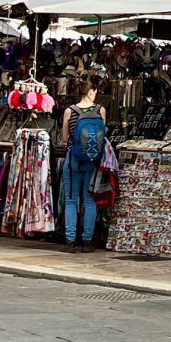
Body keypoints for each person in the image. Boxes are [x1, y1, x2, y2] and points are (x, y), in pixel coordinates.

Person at [60, 77, 106, 253]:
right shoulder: (100, 110)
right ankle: (87, 241)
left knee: (71, 199)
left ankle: (70, 241)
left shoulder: (69, 111)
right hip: (93, 160)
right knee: (89, 200)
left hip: (74, 158)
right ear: (91, 91)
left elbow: (65, 138)